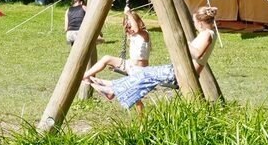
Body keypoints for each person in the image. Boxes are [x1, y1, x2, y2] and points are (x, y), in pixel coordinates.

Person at [81, 22, 219, 109]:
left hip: (179, 73)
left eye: (194, 21)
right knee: (142, 75)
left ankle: (111, 88)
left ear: (200, 24)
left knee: (142, 74)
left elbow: (198, 53)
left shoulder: (207, 34)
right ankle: (111, 87)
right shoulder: (209, 33)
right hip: (173, 70)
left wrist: (183, 42)